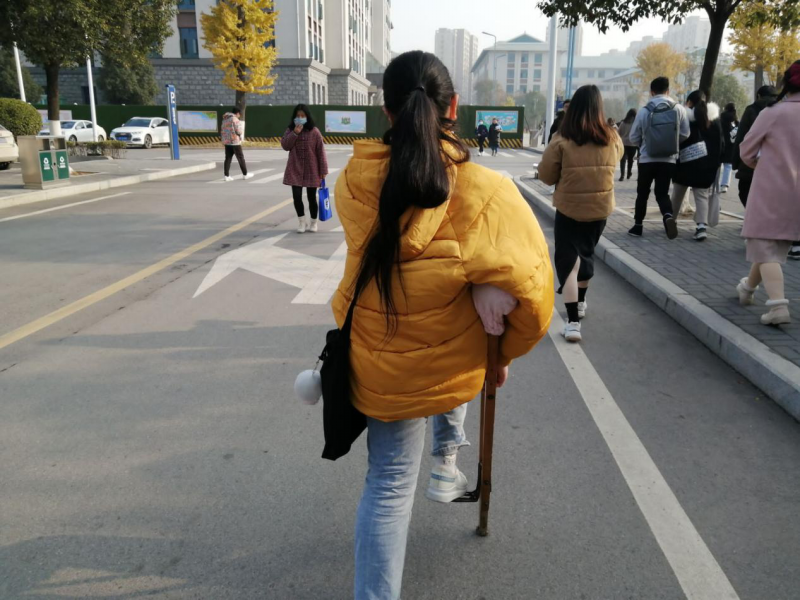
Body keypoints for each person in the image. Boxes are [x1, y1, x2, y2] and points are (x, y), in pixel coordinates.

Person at [332, 50, 554, 600]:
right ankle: (447, 461)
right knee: (455, 375)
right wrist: (502, 355)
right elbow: (533, 292)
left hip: (381, 360)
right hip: (450, 362)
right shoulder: (485, 190)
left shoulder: (354, 181)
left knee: (387, 484)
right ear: (453, 106)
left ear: (386, 111)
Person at [538, 85, 623, 343]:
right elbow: (616, 161)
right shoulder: (612, 137)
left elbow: (546, 175)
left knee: (568, 263)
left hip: (569, 209)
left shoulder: (562, 138)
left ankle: (573, 323)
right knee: (586, 255)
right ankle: (582, 302)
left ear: (573, 107)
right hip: (600, 210)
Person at [736, 60, 800, 325]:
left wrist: (760, 165)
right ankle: (747, 288)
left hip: (772, 189)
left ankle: (777, 307)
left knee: (763, 244)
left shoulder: (773, 112)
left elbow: (746, 150)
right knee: (769, 248)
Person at [628, 77, 691, 238]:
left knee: (642, 193)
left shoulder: (644, 110)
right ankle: (668, 216)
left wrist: (644, 144)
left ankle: (638, 226)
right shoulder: (679, 109)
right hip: (668, 160)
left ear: (651, 92)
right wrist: (671, 143)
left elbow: (633, 137)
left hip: (647, 159)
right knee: (662, 193)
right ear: (668, 91)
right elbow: (685, 134)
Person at [670, 90, 724, 242]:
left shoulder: (684, 119)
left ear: (689, 102)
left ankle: (671, 221)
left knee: (677, 195)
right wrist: (715, 163)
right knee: (701, 197)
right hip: (705, 167)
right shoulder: (714, 120)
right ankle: (701, 227)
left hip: (684, 165)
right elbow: (720, 144)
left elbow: (677, 140)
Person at [281, 104, 329, 234]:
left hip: (312, 169)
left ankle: (313, 222)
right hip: (295, 168)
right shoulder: (290, 130)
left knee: (311, 198)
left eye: (303, 116)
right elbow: (285, 146)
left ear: (307, 117)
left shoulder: (314, 131)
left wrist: (323, 171)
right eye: (298, 116)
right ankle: (302, 222)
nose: (300, 118)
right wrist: (295, 133)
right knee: (297, 197)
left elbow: (321, 152)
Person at [733, 85, 778, 208]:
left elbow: (741, 136)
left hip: (750, 163)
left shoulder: (751, 110)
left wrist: (735, 162)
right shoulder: (782, 110)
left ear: (758, 96)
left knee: (745, 193)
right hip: (774, 164)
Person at [220, 107, 253, 181]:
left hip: (227, 142)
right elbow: (238, 131)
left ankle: (226, 176)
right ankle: (245, 174)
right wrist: (240, 134)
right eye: (239, 114)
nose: (239, 116)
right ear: (237, 113)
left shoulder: (225, 119)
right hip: (235, 142)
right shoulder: (235, 119)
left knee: (228, 158)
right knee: (240, 158)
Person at [719, 102, 738, 192]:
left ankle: (714, 184)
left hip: (721, 144)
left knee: (717, 165)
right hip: (731, 146)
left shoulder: (721, 118)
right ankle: (724, 185)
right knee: (728, 166)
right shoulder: (736, 120)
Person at [617, 108, 638, 181]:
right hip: (633, 144)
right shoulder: (636, 124)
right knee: (630, 160)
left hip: (624, 144)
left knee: (623, 160)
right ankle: (629, 173)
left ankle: (622, 175)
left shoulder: (623, 123)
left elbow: (618, 133)